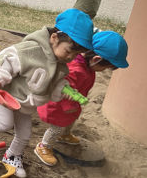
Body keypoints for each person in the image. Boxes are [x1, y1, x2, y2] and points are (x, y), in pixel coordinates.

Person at [0, 8, 94, 178]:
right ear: (54, 38)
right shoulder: (30, 50)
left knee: (24, 134)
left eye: (76, 55)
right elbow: (7, 59)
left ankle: (12, 156)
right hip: (6, 95)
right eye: (69, 51)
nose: (70, 58)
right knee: (4, 123)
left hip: (25, 103)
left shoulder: (60, 63)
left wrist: (64, 89)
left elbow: (56, 82)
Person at [35, 31, 129, 166]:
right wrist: (68, 106)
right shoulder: (75, 69)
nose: (102, 71)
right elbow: (64, 88)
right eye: (104, 68)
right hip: (59, 106)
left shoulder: (86, 65)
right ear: (96, 59)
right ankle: (43, 146)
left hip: (73, 104)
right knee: (56, 127)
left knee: (70, 121)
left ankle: (64, 135)